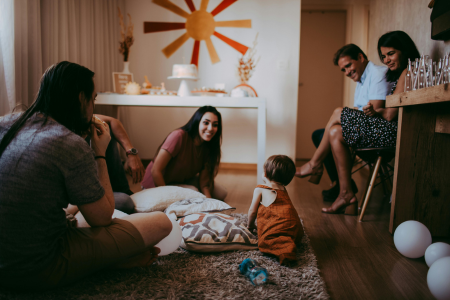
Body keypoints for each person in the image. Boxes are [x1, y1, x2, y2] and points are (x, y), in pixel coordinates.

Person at [0, 61, 172, 290]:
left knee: (75, 211)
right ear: (81, 98)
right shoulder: (68, 143)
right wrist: (98, 153)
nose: (93, 105)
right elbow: (101, 218)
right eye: (93, 99)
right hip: (37, 267)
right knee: (161, 221)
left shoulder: (6, 124)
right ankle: (108, 264)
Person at [296, 31, 420, 214]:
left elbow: (390, 115)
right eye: (384, 56)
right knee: (334, 132)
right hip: (383, 129)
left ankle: (314, 164)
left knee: (339, 112)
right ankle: (347, 194)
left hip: (389, 133)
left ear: (404, 50)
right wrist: (376, 111)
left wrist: (376, 111)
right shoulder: (398, 73)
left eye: (391, 54)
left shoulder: (408, 72)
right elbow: (388, 110)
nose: (386, 60)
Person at [306, 44, 394, 202]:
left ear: (360, 58)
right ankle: (339, 185)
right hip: (365, 127)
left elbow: (373, 111)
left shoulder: (377, 73)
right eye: (343, 70)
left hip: (376, 132)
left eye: (348, 66)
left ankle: (316, 165)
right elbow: (360, 109)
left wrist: (348, 113)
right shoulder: (361, 80)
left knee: (337, 116)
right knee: (320, 134)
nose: (347, 72)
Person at [141, 106, 227, 200]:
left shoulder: (208, 145)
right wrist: (167, 198)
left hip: (180, 180)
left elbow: (204, 184)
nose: (210, 128)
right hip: (156, 184)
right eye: (206, 123)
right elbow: (155, 171)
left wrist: (209, 202)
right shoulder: (178, 136)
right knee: (195, 192)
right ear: (197, 122)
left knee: (221, 193)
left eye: (215, 125)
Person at [247, 155, 304, 266]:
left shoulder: (260, 189)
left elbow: (252, 211)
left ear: (266, 173)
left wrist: (250, 225)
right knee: (285, 236)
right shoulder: (283, 189)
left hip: (278, 226)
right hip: (295, 228)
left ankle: (286, 253)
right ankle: (289, 242)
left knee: (270, 239)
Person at [84, 114, 145, 214]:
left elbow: (113, 121)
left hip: (111, 188)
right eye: (93, 99)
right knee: (125, 202)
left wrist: (131, 153)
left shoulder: (82, 118)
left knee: (104, 127)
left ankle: (122, 190)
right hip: (84, 192)